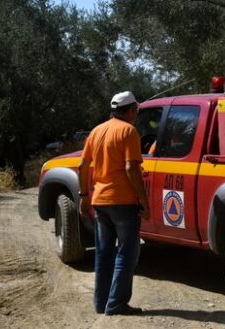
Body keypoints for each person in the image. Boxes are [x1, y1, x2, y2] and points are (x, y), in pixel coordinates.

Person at [78, 91, 151, 316]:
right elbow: (131, 168)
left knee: (104, 253)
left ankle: (101, 303)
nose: (136, 114)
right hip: (123, 203)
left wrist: (83, 196)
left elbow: (82, 166)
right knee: (127, 253)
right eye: (136, 111)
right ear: (129, 110)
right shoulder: (128, 131)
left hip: (100, 201)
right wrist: (143, 201)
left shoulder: (97, 131)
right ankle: (117, 304)